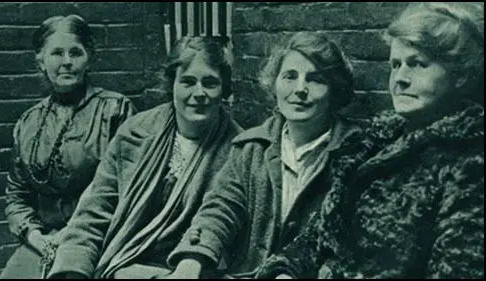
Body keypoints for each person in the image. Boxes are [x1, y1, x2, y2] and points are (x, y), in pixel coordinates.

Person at [255, 2, 484, 279]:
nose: (400, 78)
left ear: (460, 74)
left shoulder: (470, 163)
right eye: (395, 65)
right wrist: (285, 273)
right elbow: (318, 238)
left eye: (417, 65)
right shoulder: (372, 145)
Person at [163, 32, 397, 279]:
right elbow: (221, 208)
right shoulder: (251, 148)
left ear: (335, 90)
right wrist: (193, 258)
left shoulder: (357, 151)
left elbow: (351, 238)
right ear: (274, 83)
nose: (300, 90)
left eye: (315, 79)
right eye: (289, 77)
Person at [46, 36, 243, 279]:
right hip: (127, 263)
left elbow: (223, 222)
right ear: (172, 84)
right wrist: (74, 269)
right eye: (188, 82)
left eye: (210, 83)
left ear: (223, 88)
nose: (199, 93)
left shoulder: (240, 149)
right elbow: (96, 210)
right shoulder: (135, 133)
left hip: (195, 268)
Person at [0, 15, 136, 279]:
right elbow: (17, 195)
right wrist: (35, 236)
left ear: (89, 58)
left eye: (75, 52)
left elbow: (128, 189)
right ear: (41, 60)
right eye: (56, 53)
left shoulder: (116, 110)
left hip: (99, 238)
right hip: (43, 241)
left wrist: (70, 234)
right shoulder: (28, 122)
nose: (66, 62)